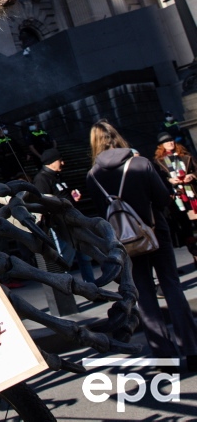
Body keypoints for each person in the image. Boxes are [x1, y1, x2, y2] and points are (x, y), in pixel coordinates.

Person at [86, 120, 197, 366]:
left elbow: (100, 212)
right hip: (155, 231)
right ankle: (191, 349)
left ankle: (164, 358)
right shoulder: (140, 163)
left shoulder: (93, 176)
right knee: (171, 286)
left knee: (144, 296)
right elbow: (162, 199)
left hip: (124, 239)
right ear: (117, 136)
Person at [33, 148, 94, 284]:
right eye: (60, 160)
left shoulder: (58, 176)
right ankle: (65, 292)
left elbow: (61, 196)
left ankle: (91, 286)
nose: (63, 163)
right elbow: (42, 202)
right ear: (51, 162)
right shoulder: (42, 179)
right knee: (65, 258)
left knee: (85, 257)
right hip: (60, 225)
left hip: (73, 221)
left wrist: (72, 198)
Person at [153, 131, 197, 265]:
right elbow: (158, 179)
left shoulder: (185, 156)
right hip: (177, 199)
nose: (170, 143)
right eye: (166, 142)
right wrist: (169, 180)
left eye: (171, 140)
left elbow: (196, 170)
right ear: (161, 146)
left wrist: (192, 176)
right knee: (186, 227)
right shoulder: (158, 162)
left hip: (192, 194)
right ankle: (195, 253)